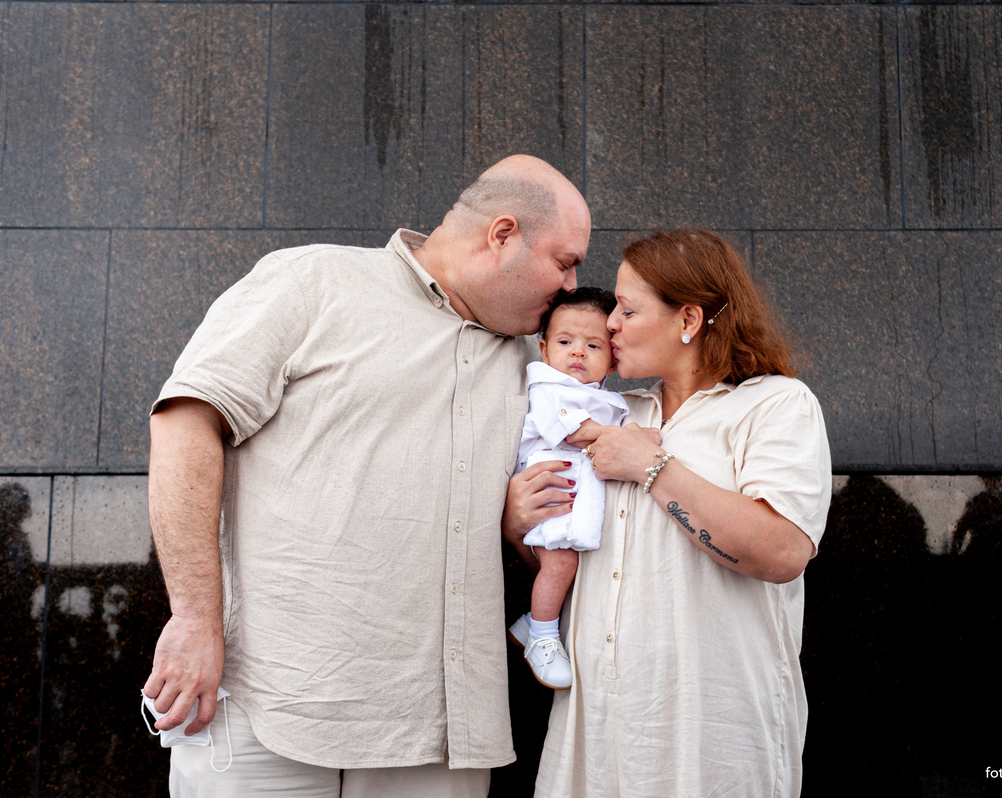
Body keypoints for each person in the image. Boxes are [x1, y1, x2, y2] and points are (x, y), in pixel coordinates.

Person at [143, 154, 591, 797]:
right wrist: (193, 618)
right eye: (564, 260)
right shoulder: (312, 282)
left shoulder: (541, 365)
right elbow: (185, 424)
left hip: (441, 732)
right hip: (271, 705)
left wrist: (515, 518)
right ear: (502, 234)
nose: (575, 287)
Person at [502, 229, 832, 797]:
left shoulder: (775, 404)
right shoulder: (612, 410)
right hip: (599, 730)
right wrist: (517, 525)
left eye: (627, 311)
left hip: (709, 736)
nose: (609, 326)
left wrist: (653, 466)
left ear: (688, 320)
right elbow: (580, 566)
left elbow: (782, 553)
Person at [507, 287, 629, 691]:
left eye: (592, 345)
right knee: (560, 566)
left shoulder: (599, 396)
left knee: (565, 570)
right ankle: (541, 637)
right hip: (551, 497)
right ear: (543, 350)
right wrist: (628, 438)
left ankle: (532, 625)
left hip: (571, 498)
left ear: (612, 358)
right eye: (565, 342)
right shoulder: (546, 388)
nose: (577, 352)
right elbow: (575, 433)